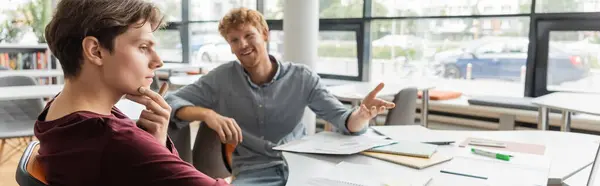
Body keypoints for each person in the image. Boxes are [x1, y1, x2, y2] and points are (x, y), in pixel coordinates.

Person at [166, 7, 395, 186]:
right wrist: (206, 114)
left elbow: (344, 121)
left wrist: (362, 115)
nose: (243, 44)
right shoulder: (221, 79)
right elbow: (170, 101)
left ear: (265, 34)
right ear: (230, 47)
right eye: (234, 40)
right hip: (253, 173)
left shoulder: (301, 77)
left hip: (304, 168)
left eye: (249, 35)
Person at [34, 0, 229, 185]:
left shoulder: (58, 113)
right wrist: (146, 150)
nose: (158, 61)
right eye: (143, 47)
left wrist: (155, 147)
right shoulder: (116, 140)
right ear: (95, 51)